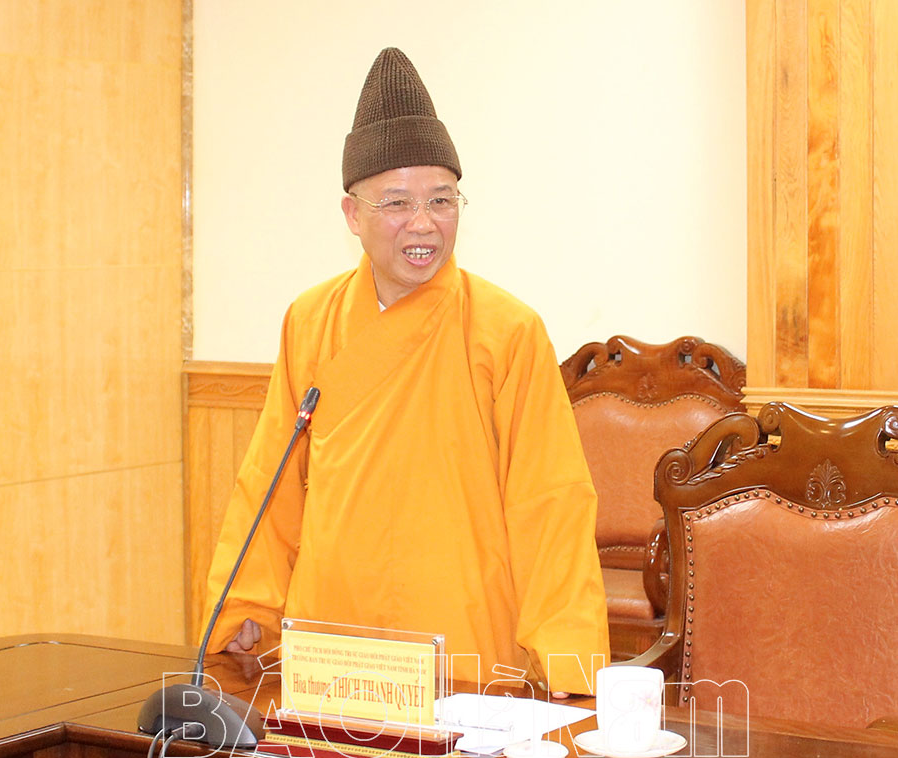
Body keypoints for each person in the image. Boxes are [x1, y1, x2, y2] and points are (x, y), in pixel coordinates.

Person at [203, 47, 609, 695]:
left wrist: (567, 653)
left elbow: (550, 499)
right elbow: (269, 481)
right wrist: (247, 600)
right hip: (333, 633)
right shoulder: (310, 320)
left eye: (442, 200)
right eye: (397, 203)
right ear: (352, 215)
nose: (423, 225)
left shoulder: (507, 330)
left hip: (461, 637)